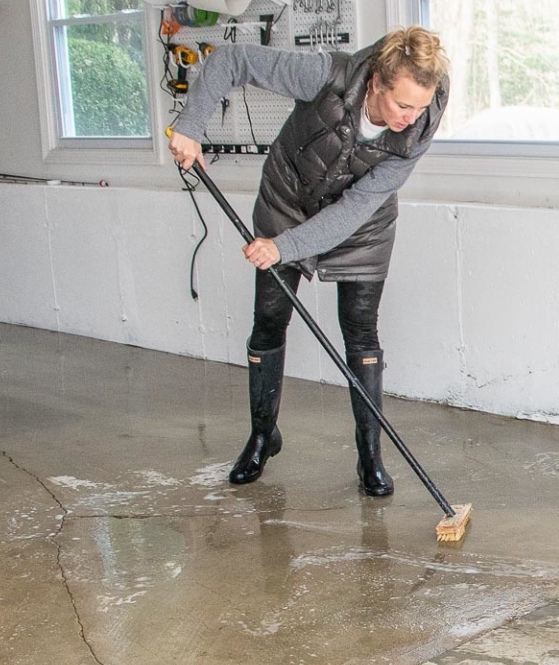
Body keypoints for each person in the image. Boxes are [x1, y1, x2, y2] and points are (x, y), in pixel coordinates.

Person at [168, 25, 449, 496]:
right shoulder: (325, 75)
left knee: (361, 330)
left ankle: (370, 456)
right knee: (269, 319)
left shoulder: (419, 125)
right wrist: (191, 126)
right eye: (404, 105)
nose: (412, 118)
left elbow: (354, 209)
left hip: (362, 222)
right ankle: (263, 436)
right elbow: (231, 60)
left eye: (420, 107)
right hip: (289, 201)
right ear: (376, 82)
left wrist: (285, 248)